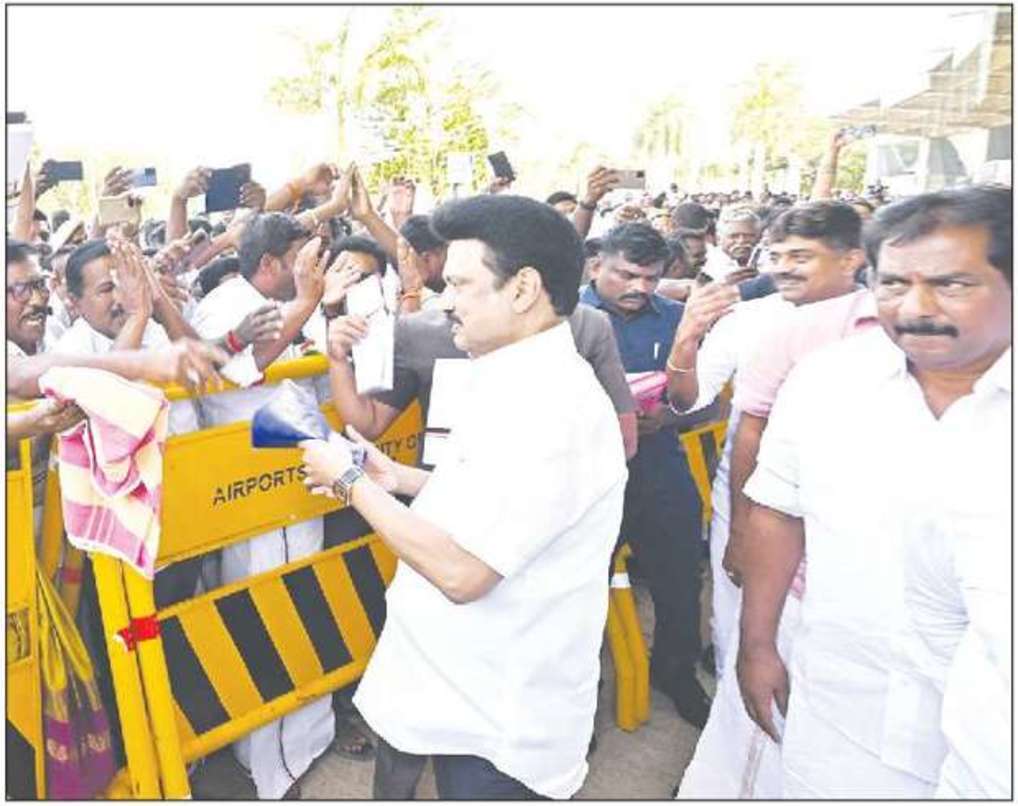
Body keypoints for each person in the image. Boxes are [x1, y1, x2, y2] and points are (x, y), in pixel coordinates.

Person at [300, 194, 628, 799]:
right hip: (465, 695)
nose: (445, 301)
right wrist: (398, 480)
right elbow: (505, 499)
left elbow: (463, 571)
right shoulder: (513, 376)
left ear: (523, 288)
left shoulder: (550, 407)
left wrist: (349, 484)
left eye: (459, 284)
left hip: (498, 725)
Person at [736, 185, 1011, 797]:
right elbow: (777, 512)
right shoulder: (827, 380)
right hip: (842, 708)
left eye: (951, 284)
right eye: (893, 284)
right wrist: (756, 644)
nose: (915, 307)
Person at [673, 203, 869, 798]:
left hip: (843, 518)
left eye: (801, 256)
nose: (783, 268)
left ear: (853, 259)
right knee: (744, 641)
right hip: (749, 505)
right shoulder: (752, 319)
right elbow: (690, 403)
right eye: (776, 255)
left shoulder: (884, 322)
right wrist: (686, 338)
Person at [190, 212, 333, 800]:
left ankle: (302, 745)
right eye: (301, 258)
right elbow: (239, 371)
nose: (312, 267)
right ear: (271, 262)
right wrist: (306, 303)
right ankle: (269, 764)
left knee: (305, 610)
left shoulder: (294, 299)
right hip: (253, 492)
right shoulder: (227, 304)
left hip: (298, 481)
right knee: (266, 616)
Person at [578, 222, 711, 729]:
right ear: (596, 266)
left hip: (658, 468)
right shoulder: (564, 318)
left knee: (680, 575)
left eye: (651, 278)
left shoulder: (676, 320)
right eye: (627, 275)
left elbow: (706, 400)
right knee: (578, 588)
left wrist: (668, 417)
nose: (640, 287)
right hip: (586, 479)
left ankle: (675, 670)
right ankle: (580, 693)